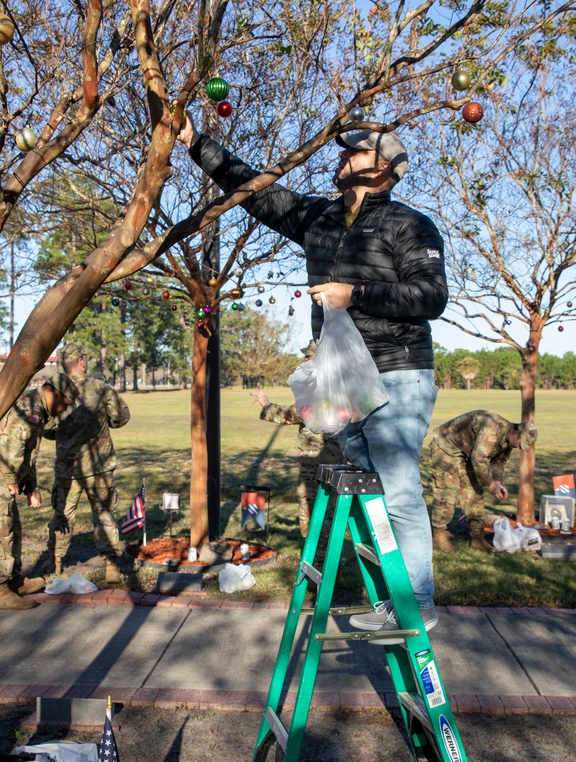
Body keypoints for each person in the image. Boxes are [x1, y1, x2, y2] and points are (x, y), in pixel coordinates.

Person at [178, 117, 447, 640]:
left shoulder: (409, 226)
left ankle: (415, 605)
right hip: (341, 377)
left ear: (385, 170)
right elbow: (253, 188)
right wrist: (194, 141)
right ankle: (394, 600)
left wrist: (359, 294)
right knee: (373, 490)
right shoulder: (318, 218)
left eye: (356, 152)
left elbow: (431, 297)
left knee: (397, 492)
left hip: (397, 370)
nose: (342, 157)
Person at [0, 372, 79, 610]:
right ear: (56, 393)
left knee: (12, 526)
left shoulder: (37, 409)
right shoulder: (30, 409)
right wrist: (11, 479)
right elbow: (12, 448)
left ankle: (13, 579)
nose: (64, 410)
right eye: (65, 403)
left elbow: (29, 455)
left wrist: (31, 487)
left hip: (4, 475)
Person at [45, 342, 132, 584]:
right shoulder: (101, 389)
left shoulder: (54, 392)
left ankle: (54, 562)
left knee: (63, 514)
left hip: (67, 468)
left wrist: (65, 435)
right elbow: (121, 416)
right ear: (82, 362)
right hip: (99, 466)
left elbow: (46, 428)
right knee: (104, 514)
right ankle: (111, 566)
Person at [251, 341, 345, 539]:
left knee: (311, 514)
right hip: (337, 464)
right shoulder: (339, 389)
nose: (304, 360)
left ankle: (317, 563)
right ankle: (332, 562)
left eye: (309, 356)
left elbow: (289, 414)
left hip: (314, 465)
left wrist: (265, 403)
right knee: (331, 513)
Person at [429, 411, 538, 552]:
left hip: (467, 452)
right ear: (515, 433)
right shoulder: (491, 429)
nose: (518, 447)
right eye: (520, 443)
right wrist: (491, 483)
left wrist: (497, 482)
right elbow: (479, 458)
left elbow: (499, 462)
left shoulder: (508, 441)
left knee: (475, 493)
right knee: (447, 491)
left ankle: (477, 537)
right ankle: (439, 536)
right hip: (446, 447)